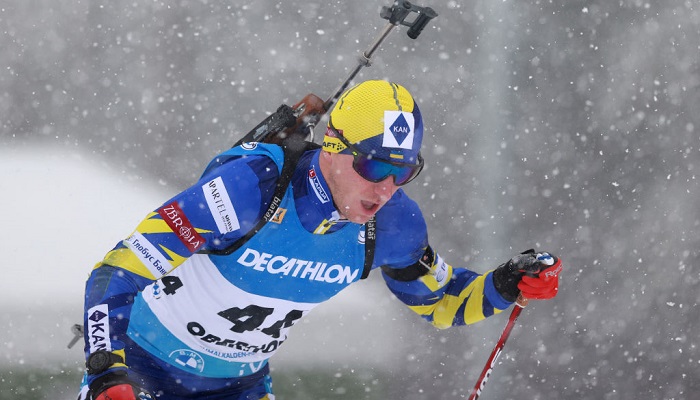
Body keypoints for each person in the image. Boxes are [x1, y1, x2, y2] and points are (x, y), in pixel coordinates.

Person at [78, 80, 563, 400]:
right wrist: (106, 369)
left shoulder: (393, 225)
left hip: (239, 387)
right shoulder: (251, 188)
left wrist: (507, 281)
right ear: (332, 146)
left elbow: (443, 303)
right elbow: (118, 271)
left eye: (403, 171)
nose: (385, 188)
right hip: (139, 366)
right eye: (373, 164)